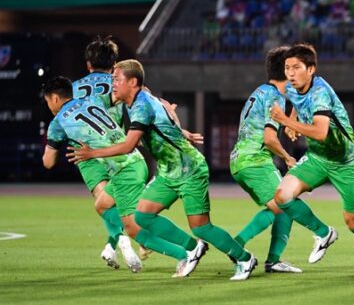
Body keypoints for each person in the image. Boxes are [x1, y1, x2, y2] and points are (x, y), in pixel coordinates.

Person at [69, 60, 257, 281]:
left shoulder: (141, 106)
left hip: (190, 171)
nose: (114, 85)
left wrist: (92, 153)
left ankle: (245, 259)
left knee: (201, 227)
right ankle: (191, 249)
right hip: (169, 173)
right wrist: (182, 133)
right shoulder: (141, 99)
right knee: (143, 216)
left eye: (117, 79)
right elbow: (164, 117)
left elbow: (129, 146)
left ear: (133, 82)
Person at [43, 77, 194, 275]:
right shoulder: (93, 100)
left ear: (54, 98)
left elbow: (48, 162)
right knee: (102, 204)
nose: (48, 105)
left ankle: (185, 252)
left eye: (47, 101)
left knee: (134, 227)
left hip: (125, 171)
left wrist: (57, 143)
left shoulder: (58, 123)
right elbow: (128, 95)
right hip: (135, 160)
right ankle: (185, 246)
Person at [268, 44, 354, 279]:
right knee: (282, 196)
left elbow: (321, 132)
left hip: (347, 161)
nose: (290, 73)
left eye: (296, 68)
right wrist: (292, 118)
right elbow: (295, 104)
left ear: (310, 69)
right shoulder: (292, 88)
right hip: (318, 157)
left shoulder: (320, 93)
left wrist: (286, 122)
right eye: (287, 68)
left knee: (353, 220)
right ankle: (323, 233)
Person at [229, 46, 301, 273]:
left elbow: (298, 97)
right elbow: (270, 139)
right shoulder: (274, 98)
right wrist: (288, 157)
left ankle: (273, 260)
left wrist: (292, 118)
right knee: (286, 205)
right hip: (256, 161)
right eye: (292, 68)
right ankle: (236, 246)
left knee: (282, 206)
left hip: (240, 161)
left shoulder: (260, 91)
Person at [70, 36, 137, 270]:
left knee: (104, 202)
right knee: (111, 202)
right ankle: (113, 245)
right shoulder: (119, 83)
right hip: (114, 149)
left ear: (88, 64)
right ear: (114, 64)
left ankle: (121, 240)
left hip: (85, 151)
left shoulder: (74, 88)